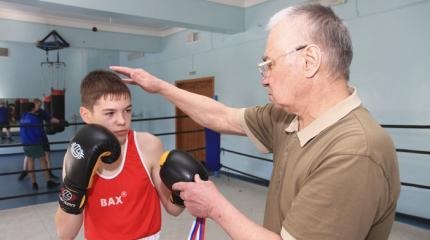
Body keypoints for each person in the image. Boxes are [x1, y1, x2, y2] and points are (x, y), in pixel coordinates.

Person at [111, 3, 401, 240]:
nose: (264, 78)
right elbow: (220, 116)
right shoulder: (288, 116)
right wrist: (160, 86)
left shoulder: (354, 152)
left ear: (309, 60)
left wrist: (215, 205)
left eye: (269, 64)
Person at [55, 70, 183, 240]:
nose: (122, 121)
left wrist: (182, 190)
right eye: (110, 113)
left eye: (127, 110)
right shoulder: (77, 155)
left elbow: (173, 209)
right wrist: (75, 185)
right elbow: (65, 235)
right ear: (86, 114)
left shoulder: (148, 145)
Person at [19, 102, 60, 190]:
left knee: (31, 163)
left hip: (25, 142)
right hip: (35, 142)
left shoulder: (23, 117)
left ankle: (34, 184)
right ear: (33, 108)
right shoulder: (35, 118)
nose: (38, 108)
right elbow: (40, 132)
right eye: (36, 106)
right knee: (43, 161)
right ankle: (49, 182)